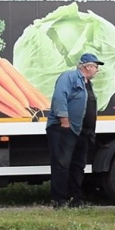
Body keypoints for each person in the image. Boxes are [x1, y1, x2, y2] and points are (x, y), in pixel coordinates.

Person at [46, 53, 103, 208]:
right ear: (88, 66)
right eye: (96, 67)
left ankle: (75, 200)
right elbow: (60, 98)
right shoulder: (69, 77)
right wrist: (64, 121)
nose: (97, 70)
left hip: (81, 131)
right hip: (64, 129)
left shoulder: (87, 83)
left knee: (78, 165)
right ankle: (59, 201)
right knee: (62, 164)